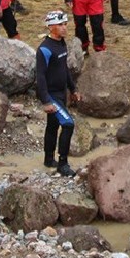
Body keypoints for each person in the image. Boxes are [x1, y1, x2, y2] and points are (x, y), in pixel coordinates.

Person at [36, 10, 81, 177]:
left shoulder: (62, 43)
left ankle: (48, 159)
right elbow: (39, 77)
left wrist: (73, 88)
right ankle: (63, 163)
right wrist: (46, 101)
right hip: (51, 95)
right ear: (50, 27)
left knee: (53, 126)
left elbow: (64, 69)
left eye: (65, 24)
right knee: (68, 124)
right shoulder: (44, 49)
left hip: (62, 92)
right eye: (60, 25)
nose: (64, 28)